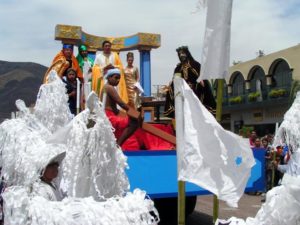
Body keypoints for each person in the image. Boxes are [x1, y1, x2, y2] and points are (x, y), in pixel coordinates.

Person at [164, 46, 216, 118]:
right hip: (182, 91)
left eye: (183, 53)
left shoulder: (196, 65)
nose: (181, 55)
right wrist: (171, 84)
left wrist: (201, 79)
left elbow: (201, 76)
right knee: (171, 91)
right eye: (179, 54)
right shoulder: (178, 68)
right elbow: (175, 79)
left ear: (187, 54)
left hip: (194, 90)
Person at [101, 68, 140, 146]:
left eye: (119, 78)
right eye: (116, 77)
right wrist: (136, 114)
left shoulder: (106, 87)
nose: (118, 80)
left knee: (132, 119)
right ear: (109, 78)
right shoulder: (109, 87)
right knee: (134, 123)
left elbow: (116, 108)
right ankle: (118, 145)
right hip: (109, 116)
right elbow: (121, 103)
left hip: (109, 114)